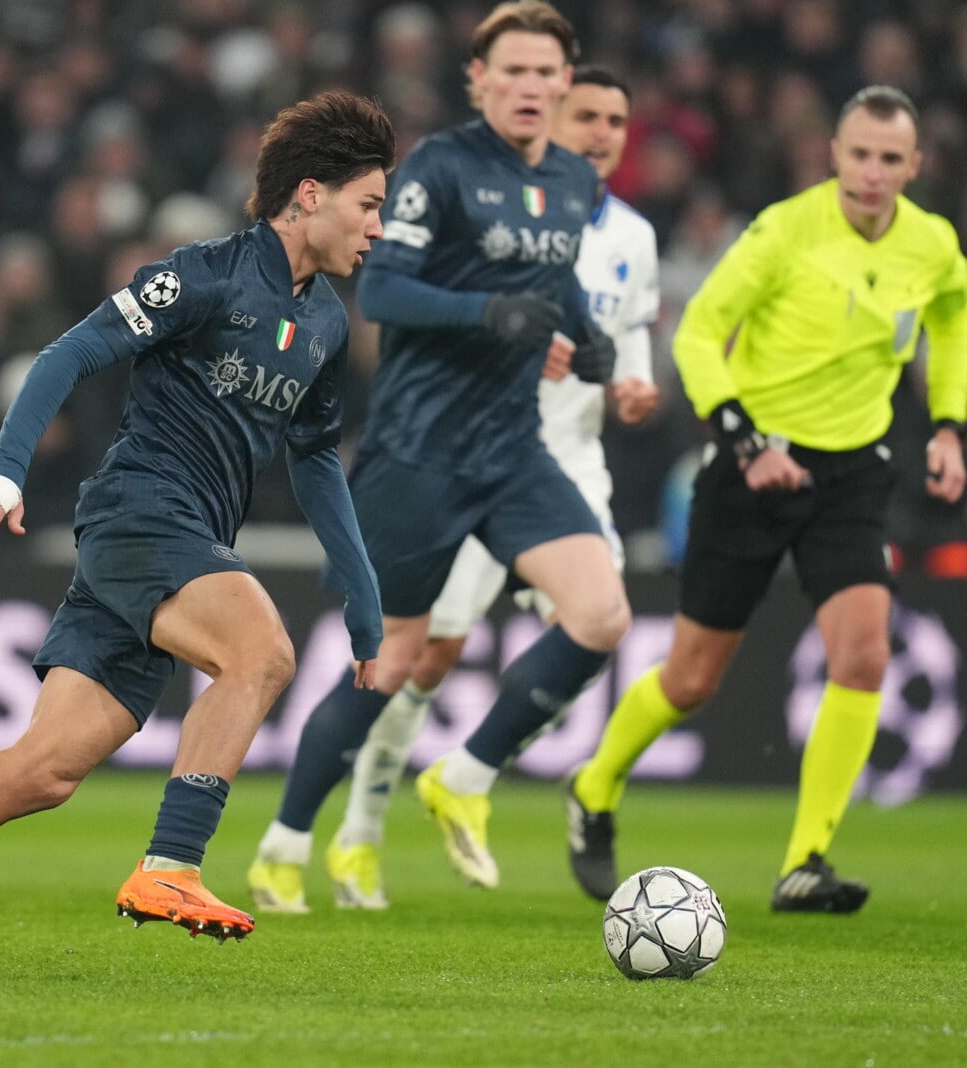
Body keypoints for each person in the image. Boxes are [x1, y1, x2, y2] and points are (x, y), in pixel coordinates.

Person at [0, 91, 393, 972]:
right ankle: (172, 865)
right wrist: (6, 467)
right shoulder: (205, 275)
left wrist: (364, 596)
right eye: (369, 204)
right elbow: (69, 352)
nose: (377, 228)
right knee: (261, 655)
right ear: (310, 194)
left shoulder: (325, 320)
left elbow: (317, 459)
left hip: (174, 540)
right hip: (143, 513)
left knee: (46, 771)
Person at [249, 0, 628, 910]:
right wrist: (487, 313)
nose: (531, 86)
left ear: (564, 83)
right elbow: (382, 290)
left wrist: (589, 337)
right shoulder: (441, 170)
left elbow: (557, 275)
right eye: (514, 70)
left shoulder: (571, 178)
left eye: (546, 72)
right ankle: (283, 843)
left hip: (513, 448)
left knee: (602, 614)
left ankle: (464, 775)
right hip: (419, 452)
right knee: (393, 662)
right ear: (480, 79)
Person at [564, 85, 967, 912]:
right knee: (691, 678)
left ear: (914, 166)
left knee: (866, 652)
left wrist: (949, 426)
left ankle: (805, 861)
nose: (873, 173)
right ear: (835, 155)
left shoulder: (932, 244)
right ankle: (594, 785)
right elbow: (697, 333)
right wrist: (747, 442)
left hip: (853, 471)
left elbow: (952, 319)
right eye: (861, 155)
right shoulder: (783, 231)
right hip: (750, 466)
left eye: (891, 159)